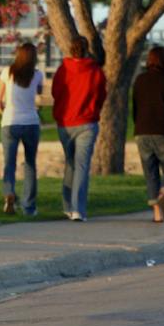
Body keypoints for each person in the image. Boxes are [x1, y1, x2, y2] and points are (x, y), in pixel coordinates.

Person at [50, 36, 107, 221]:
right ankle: (78, 209)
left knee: (70, 164)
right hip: (87, 122)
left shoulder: (63, 70)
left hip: (65, 123)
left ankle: (67, 205)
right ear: (86, 49)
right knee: (81, 166)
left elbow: (55, 92)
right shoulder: (95, 71)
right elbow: (101, 95)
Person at [132, 45, 164, 222]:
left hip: (142, 130)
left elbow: (135, 106)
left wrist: (137, 125)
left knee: (150, 172)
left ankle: (157, 215)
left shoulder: (140, 80)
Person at [0, 41, 43, 216]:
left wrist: (5, 110)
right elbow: (38, 94)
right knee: (30, 164)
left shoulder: (7, 72)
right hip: (31, 122)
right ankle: (29, 206)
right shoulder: (37, 75)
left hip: (10, 122)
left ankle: (9, 193)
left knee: (9, 163)